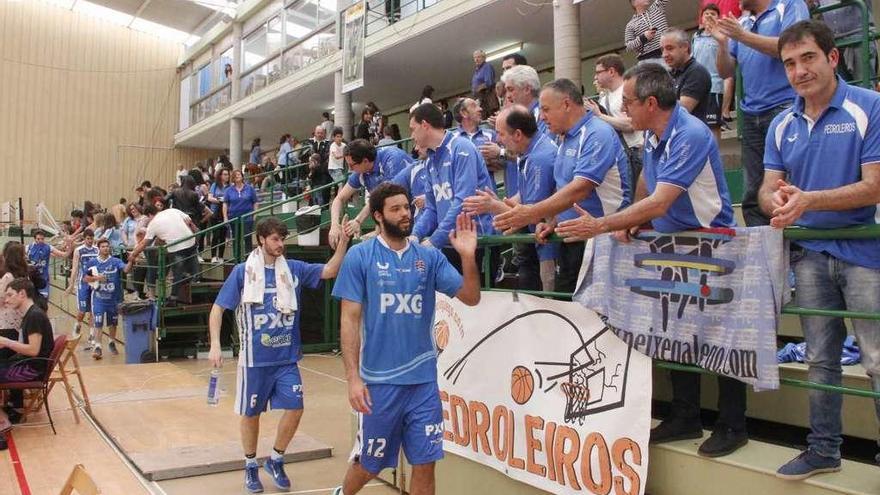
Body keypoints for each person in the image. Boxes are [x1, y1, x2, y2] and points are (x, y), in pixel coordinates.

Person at [559, 63, 743, 456]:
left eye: (628, 102)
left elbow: (662, 199)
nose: (623, 109)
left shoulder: (689, 133)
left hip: (710, 243)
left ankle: (732, 424)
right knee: (674, 333)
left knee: (719, 338)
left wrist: (607, 224)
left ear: (651, 103)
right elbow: (647, 186)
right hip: (670, 243)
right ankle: (686, 416)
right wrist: (632, 219)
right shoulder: (654, 133)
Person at [757, 20, 880, 479]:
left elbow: (874, 187)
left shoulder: (870, 107)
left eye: (807, 58)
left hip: (865, 254)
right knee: (819, 360)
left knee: (877, 361)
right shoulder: (781, 123)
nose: (798, 71)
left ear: (832, 57)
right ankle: (823, 450)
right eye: (789, 63)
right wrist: (781, 200)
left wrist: (808, 199)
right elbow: (768, 191)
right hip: (810, 257)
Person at [331, 183, 481, 495]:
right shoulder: (360, 257)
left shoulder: (430, 257)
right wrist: (352, 379)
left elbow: (471, 297)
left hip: (423, 382)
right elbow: (349, 320)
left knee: (425, 462)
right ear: (377, 216)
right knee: (370, 464)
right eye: (396, 209)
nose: (405, 214)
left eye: (407, 208)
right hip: (379, 383)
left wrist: (467, 257)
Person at [208, 217, 350, 493]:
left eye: (283, 239)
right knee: (251, 414)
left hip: (286, 358)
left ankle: (276, 458)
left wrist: (343, 243)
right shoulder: (242, 272)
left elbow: (330, 271)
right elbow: (217, 310)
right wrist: (215, 344)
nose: (281, 244)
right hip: (254, 360)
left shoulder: (293, 269)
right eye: (275, 239)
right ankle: (250, 465)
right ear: (261, 239)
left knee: (296, 408)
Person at [493, 78, 632, 294]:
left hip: (600, 240)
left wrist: (532, 213)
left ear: (566, 104)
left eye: (546, 109)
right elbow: (563, 187)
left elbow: (580, 188)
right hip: (571, 238)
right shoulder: (563, 139)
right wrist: (553, 221)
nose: (542, 117)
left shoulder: (597, 133)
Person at [707, 0, 810, 227]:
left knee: (789, 185)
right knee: (753, 193)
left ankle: (799, 250)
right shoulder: (743, 21)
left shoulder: (789, 5)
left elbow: (792, 47)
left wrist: (742, 35)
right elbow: (726, 71)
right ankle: (761, 251)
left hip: (785, 107)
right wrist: (723, 44)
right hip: (751, 113)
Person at [463, 105, 559, 292]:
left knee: (550, 300)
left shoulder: (540, 158)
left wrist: (494, 206)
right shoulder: (530, 153)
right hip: (540, 242)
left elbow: (532, 214)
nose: (498, 140)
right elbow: (523, 197)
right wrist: (498, 204)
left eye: (501, 134)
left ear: (517, 134)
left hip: (550, 246)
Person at [409, 103, 497, 269]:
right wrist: (415, 234)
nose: (411, 135)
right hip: (450, 242)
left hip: (477, 241)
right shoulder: (429, 162)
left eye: (413, 129)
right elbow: (431, 209)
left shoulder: (462, 147)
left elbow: (463, 201)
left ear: (425, 125)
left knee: (477, 295)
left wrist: (434, 240)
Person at [0, 278, 54, 449]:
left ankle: (3, 422)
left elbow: (33, 350)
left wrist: (7, 342)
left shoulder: (34, 316)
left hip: (31, 369)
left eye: (10, 295)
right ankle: (11, 410)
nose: (6, 299)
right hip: (27, 365)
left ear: (22, 294)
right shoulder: (30, 314)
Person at [328, 139, 413, 248]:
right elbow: (339, 199)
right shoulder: (361, 171)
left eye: (352, 165)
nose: (350, 169)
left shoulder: (392, 158)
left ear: (365, 161)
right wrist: (334, 225)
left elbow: (386, 197)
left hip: (417, 209)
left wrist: (358, 221)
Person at [126, 199, 200, 303]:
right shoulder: (172, 210)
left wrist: (133, 254)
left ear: (149, 215)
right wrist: (193, 231)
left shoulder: (153, 224)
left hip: (176, 247)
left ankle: (173, 297)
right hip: (190, 240)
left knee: (177, 272)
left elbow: (144, 243)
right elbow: (188, 220)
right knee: (192, 259)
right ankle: (194, 277)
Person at [585, 54, 645, 182]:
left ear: (611, 71)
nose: (595, 77)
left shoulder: (627, 90)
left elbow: (631, 125)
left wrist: (600, 116)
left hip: (635, 153)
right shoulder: (605, 97)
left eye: (598, 72)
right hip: (622, 155)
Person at [83, 239, 128, 360]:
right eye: (103, 246)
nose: (106, 248)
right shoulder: (92, 262)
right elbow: (85, 278)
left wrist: (132, 259)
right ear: (99, 248)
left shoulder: (116, 261)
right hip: (98, 298)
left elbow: (126, 269)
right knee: (98, 321)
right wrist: (98, 278)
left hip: (114, 298)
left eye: (107, 246)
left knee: (113, 322)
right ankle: (97, 346)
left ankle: (111, 342)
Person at [693, 4, 729, 139]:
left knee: (713, 125)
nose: (709, 16)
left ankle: (714, 158)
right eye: (706, 13)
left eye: (713, 14)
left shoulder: (722, 36)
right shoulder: (695, 37)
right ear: (701, 18)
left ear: (718, 18)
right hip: (697, 87)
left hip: (714, 86)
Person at [662, 28, 713, 124]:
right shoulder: (669, 74)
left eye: (669, 48)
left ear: (685, 47)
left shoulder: (697, 72)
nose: (664, 54)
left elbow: (681, 111)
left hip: (691, 135)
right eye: (662, 49)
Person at [67, 229, 98, 341]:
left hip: (94, 283)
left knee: (93, 310)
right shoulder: (78, 250)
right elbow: (74, 268)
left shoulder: (97, 250)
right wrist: (71, 285)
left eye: (91, 238)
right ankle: (78, 325)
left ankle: (91, 334)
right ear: (84, 239)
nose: (90, 240)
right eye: (88, 238)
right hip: (83, 283)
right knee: (82, 311)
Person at [224, 169, 260, 254]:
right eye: (235, 175)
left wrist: (254, 214)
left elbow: (255, 202)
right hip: (234, 218)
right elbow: (225, 204)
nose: (237, 176)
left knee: (247, 238)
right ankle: (237, 258)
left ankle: (248, 257)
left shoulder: (250, 188)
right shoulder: (228, 190)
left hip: (247, 218)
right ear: (233, 178)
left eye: (239, 174)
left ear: (242, 176)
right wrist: (225, 217)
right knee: (236, 239)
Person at [26, 230, 68, 299]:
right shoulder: (28, 247)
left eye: (42, 239)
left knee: (44, 301)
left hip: (43, 278)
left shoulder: (48, 247)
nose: (40, 241)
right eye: (38, 239)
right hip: (31, 279)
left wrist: (70, 245)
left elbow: (64, 255)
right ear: (34, 239)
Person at [624, 0, 669, 64]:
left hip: (667, 53)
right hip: (648, 60)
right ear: (634, 3)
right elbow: (628, 47)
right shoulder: (630, 25)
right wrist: (643, 38)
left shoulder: (657, 7)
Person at [302, 125, 332, 206]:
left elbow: (326, 158)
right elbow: (303, 156)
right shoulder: (308, 143)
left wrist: (318, 165)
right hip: (311, 174)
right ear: (314, 133)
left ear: (324, 134)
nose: (319, 134)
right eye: (318, 133)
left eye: (321, 133)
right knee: (312, 198)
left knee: (324, 196)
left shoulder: (328, 144)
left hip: (323, 174)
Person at [208, 169, 230, 263]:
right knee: (215, 235)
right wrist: (219, 200)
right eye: (224, 174)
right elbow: (209, 198)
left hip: (225, 213)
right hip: (215, 212)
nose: (227, 176)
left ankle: (221, 256)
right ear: (220, 175)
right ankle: (213, 256)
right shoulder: (215, 185)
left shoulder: (230, 187)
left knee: (223, 235)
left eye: (228, 174)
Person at [471, 50, 498, 117]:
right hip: (480, 99)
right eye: (475, 58)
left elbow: (489, 82)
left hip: (487, 98)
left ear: (484, 58)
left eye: (478, 57)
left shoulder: (487, 66)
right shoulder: (477, 70)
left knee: (490, 117)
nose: (476, 59)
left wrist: (478, 88)